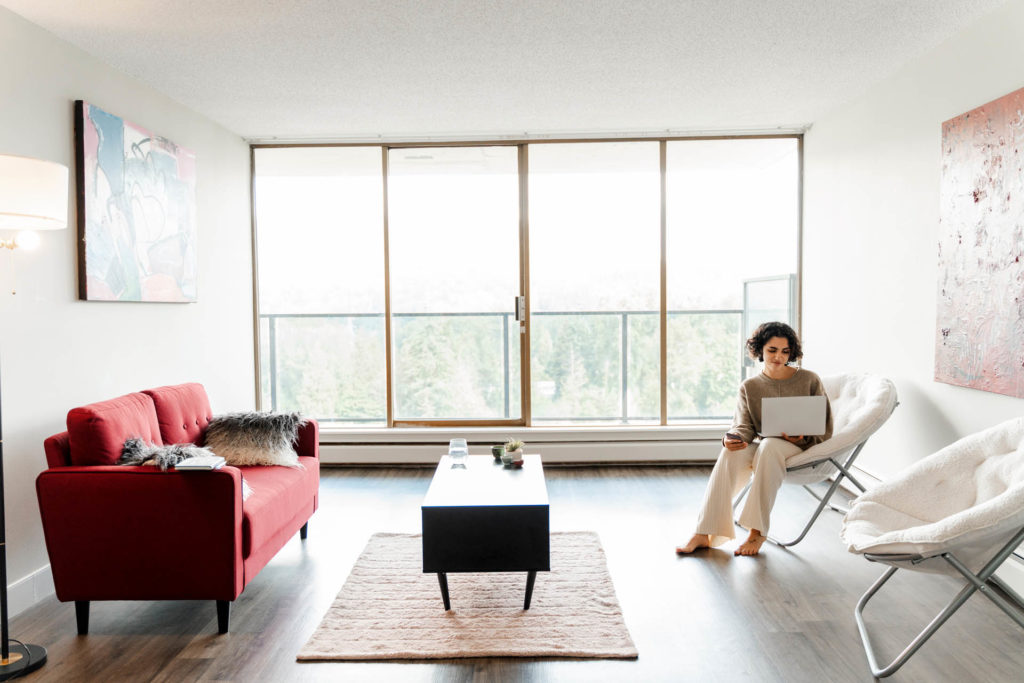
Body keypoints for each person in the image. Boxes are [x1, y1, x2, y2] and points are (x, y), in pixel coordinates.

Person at [676, 322, 833, 556]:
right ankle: (703, 532)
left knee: (768, 445)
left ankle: (756, 532)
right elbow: (743, 426)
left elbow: (825, 427)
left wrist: (803, 436)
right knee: (732, 451)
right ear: (760, 350)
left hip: (801, 447)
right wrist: (733, 438)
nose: (779, 356)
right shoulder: (750, 386)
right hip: (766, 446)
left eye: (785, 351)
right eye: (772, 350)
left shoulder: (809, 379)